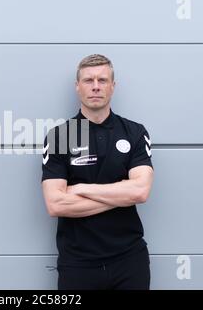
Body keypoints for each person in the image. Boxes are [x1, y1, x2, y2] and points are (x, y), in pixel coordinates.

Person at [41, 54, 154, 290]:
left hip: (129, 260)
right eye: (88, 80)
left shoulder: (134, 132)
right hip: (78, 263)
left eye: (102, 80)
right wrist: (121, 194)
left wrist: (82, 189)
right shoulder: (60, 136)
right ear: (77, 86)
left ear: (113, 86)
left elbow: (140, 192)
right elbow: (56, 204)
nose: (95, 86)